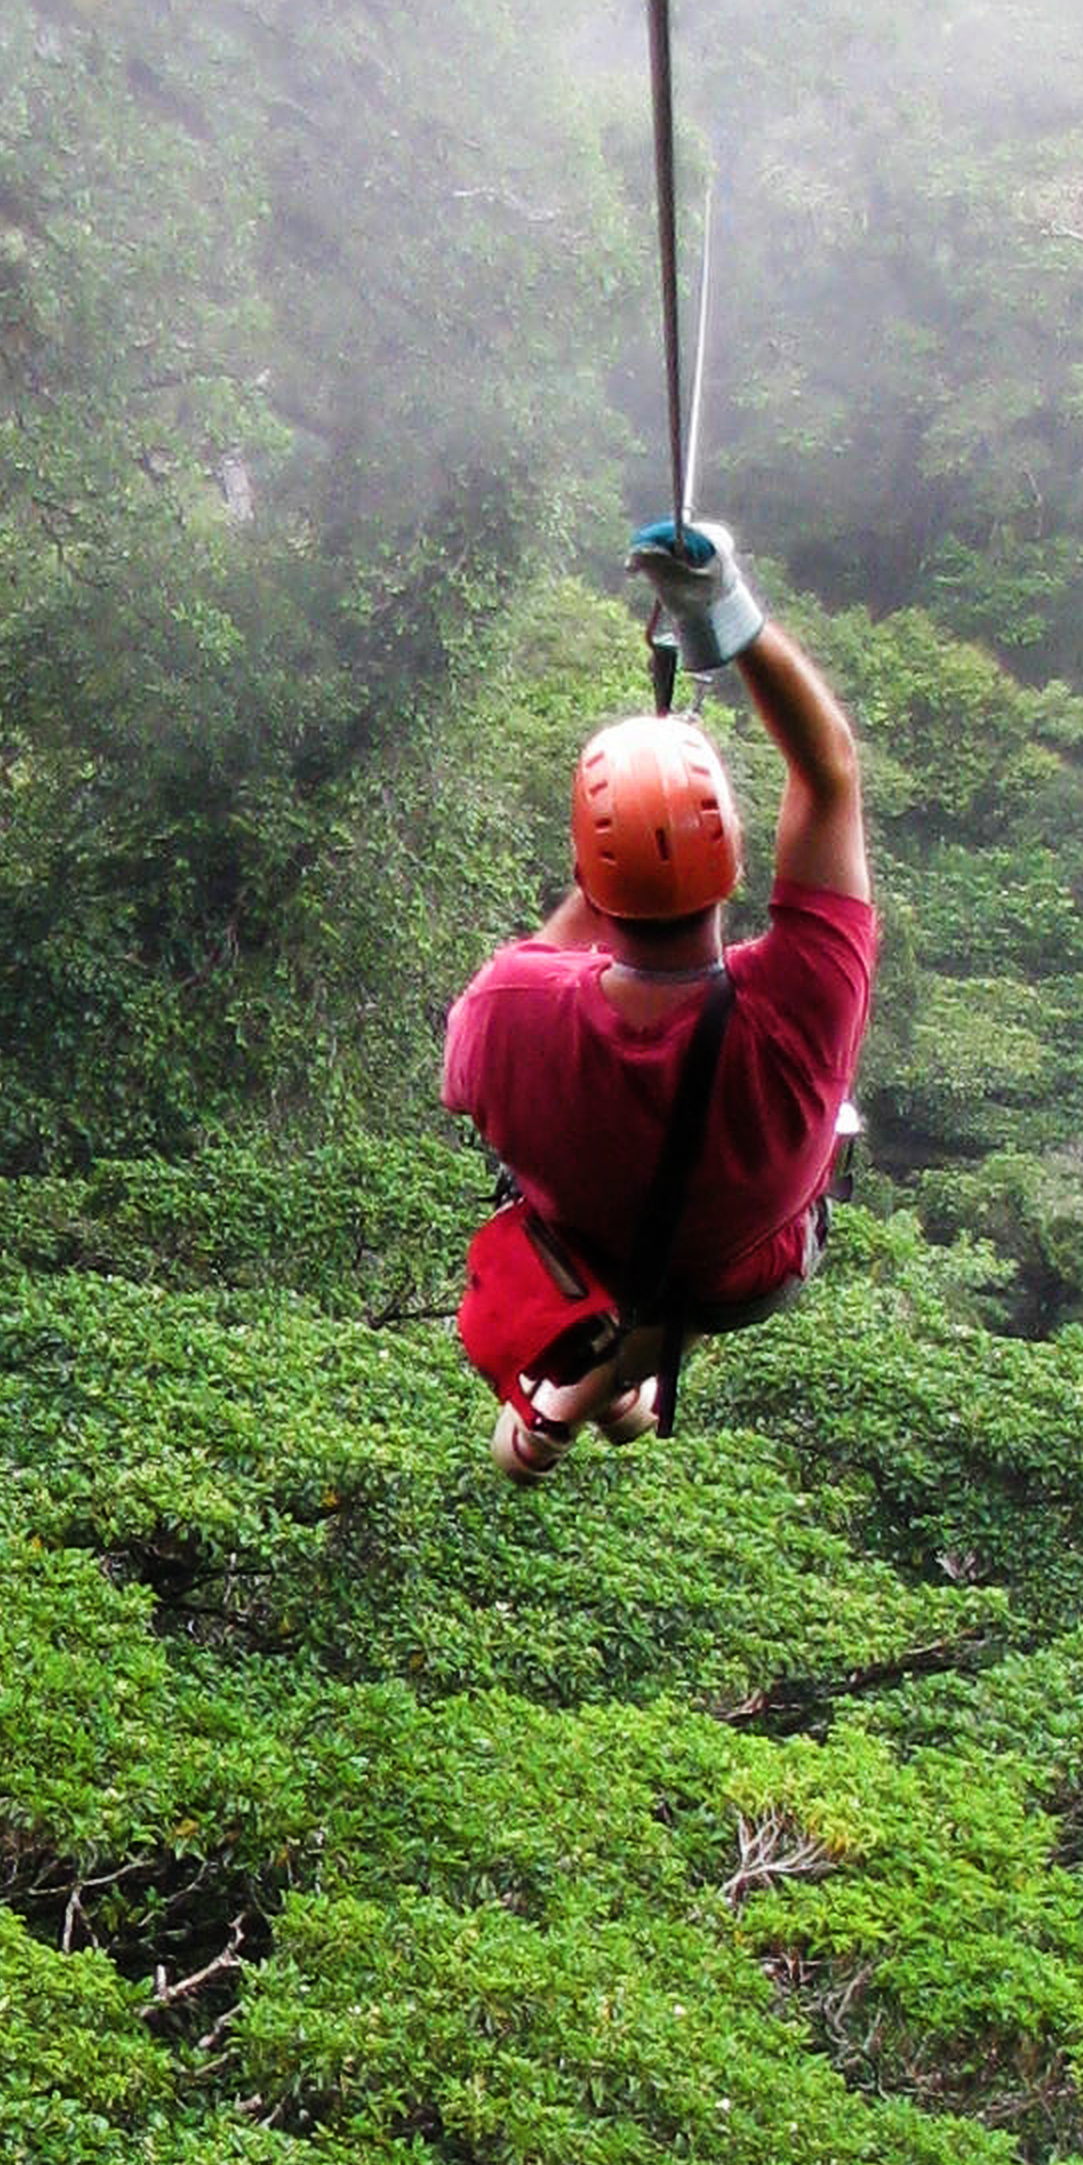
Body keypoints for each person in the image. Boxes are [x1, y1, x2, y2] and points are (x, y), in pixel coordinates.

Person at [441, 529, 876, 1476]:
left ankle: (585, 1395)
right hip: (749, 1271)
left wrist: (610, 867)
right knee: (680, 1278)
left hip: (592, 1248)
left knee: (625, 1269)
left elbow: (541, 965)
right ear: (733, 863)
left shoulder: (508, 1009)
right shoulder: (798, 1012)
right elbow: (830, 769)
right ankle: (609, 1390)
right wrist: (727, 611)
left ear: (590, 874)